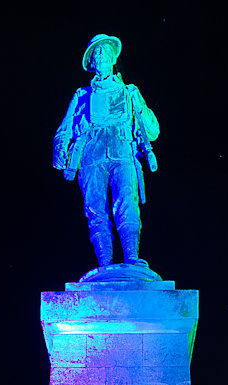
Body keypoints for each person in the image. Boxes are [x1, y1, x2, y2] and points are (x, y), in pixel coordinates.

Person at [53, 34, 159, 268]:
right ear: (91, 63)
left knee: (127, 201)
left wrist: (140, 108)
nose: (101, 55)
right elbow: (65, 128)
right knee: (95, 208)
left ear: (113, 58)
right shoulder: (82, 96)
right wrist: (60, 149)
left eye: (105, 52)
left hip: (122, 151)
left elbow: (153, 131)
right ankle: (104, 264)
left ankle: (131, 258)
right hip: (91, 155)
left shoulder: (129, 92)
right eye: (96, 53)